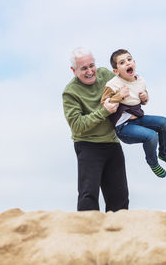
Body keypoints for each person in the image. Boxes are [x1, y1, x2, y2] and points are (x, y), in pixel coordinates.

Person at [62, 47, 129, 212]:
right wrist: (104, 111)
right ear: (74, 70)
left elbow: (129, 85)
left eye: (91, 65)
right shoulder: (70, 93)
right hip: (87, 145)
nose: (90, 71)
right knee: (88, 197)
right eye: (84, 68)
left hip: (112, 143)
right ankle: (87, 235)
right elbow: (77, 126)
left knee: (120, 199)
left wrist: (143, 95)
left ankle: (117, 236)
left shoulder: (106, 75)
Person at [101, 49, 166, 178]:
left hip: (138, 119)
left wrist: (145, 97)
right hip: (123, 127)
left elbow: (143, 100)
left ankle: (165, 154)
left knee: (164, 122)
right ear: (116, 71)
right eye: (122, 62)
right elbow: (104, 103)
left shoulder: (140, 80)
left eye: (129, 60)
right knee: (152, 136)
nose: (127, 63)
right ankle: (153, 162)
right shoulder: (113, 84)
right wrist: (119, 96)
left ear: (134, 62)